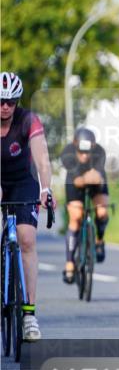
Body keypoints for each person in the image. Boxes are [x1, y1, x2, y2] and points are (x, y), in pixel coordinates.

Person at [0, 72, 55, 342]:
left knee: (26, 239)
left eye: (11, 101)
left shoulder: (28, 120)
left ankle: (29, 316)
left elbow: (42, 158)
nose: (5, 106)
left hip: (23, 183)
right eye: (1, 101)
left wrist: (46, 189)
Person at [59, 127, 111, 284]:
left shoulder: (100, 152)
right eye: (81, 151)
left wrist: (95, 177)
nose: (84, 155)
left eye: (87, 152)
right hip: (74, 182)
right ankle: (69, 264)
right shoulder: (67, 153)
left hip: (96, 183)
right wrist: (87, 177)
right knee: (75, 217)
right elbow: (77, 180)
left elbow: (99, 176)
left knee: (102, 211)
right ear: (75, 146)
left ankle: (99, 240)